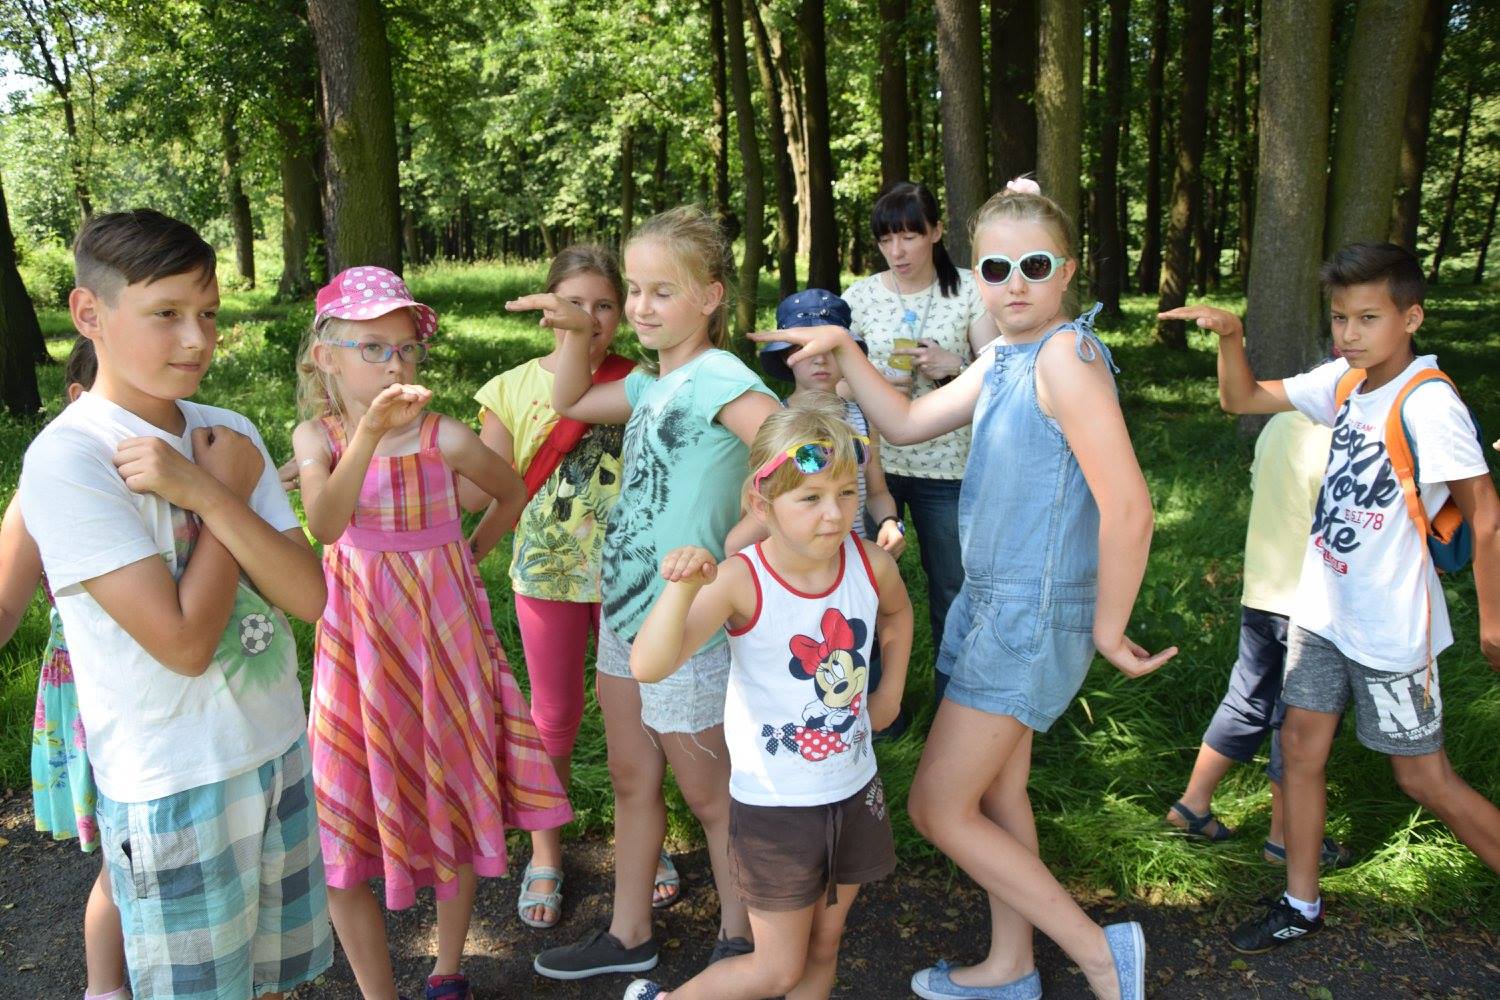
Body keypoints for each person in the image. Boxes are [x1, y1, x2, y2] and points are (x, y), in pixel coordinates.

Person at [754, 178, 1172, 1000]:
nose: (1014, 284)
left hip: (1029, 615)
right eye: (995, 268)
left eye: (1034, 265)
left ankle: (1100, 954)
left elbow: (1131, 508)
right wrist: (843, 349)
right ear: (975, 274)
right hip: (991, 605)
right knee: (999, 794)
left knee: (938, 807)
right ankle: (1012, 965)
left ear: (1067, 271)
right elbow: (907, 423)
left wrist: (1108, 625)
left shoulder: (1066, 357)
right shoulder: (1009, 355)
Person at [18, 209, 333, 999]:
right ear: (88, 313)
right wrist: (221, 492)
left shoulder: (225, 434)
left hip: (276, 747)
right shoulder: (70, 458)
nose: (198, 340)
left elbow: (308, 595)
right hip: (171, 782)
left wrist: (210, 494)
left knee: (269, 981)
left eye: (210, 314)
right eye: (166, 313)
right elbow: (185, 644)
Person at [1162, 241, 1500, 954]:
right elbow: (1242, 398)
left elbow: (1485, 513)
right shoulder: (1345, 381)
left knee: (1424, 779)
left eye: (1368, 318)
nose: (1349, 333)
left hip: (1391, 628)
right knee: (1298, 747)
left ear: (1411, 317)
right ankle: (1301, 903)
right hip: (1320, 615)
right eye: (1340, 318)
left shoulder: (1428, 400)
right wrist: (1232, 337)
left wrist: (1493, 622)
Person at [293, 266, 571, 1000]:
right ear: (326, 357)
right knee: (345, 794)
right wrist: (368, 435)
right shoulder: (316, 438)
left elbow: (511, 491)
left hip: (442, 643)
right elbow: (325, 524)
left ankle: (448, 969)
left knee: (452, 786)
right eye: (373, 347)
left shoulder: (443, 436)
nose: (395, 364)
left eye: (407, 348)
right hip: (359, 649)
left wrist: (465, 555)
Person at [520, 206, 779, 980]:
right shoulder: (652, 383)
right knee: (633, 779)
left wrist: (736, 541)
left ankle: (743, 940)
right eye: (634, 290)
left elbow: (798, 451)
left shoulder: (721, 377)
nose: (640, 306)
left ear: (712, 297)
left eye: (662, 291)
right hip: (626, 613)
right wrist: (575, 329)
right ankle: (629, 933)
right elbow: (569, 401)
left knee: (711, 796)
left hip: (688, 623)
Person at [622, 405, 912, 1000]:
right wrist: (682, 590)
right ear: (762, 503)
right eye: (810, 498)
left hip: (854, 790)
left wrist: (889, 694)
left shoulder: (871, 564)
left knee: (825, 948)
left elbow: (898, 615)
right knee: (775, 969)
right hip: (775, 811)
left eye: (846, 492)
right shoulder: (741, 579)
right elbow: (648, 664)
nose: (834, 513)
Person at [468, 244, 675, 929]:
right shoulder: (507, 388)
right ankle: (546, 852)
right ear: (547, 311)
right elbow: (488, 488)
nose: (590, 317)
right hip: (547, 575)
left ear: (624, 313)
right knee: (553, 716)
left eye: (605, 305)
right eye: (574, 304)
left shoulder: (644, 382)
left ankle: (646, 843)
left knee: (639, 714)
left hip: (632, 577)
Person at [1164, 407, 1352, 868]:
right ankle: (1284, 838)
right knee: (1298, 720)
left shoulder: (1281, 422)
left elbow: (1261, 488)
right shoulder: (1347, 436)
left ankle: (1192, 806)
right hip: (1311, 603)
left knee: (1245, 698)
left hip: (1262, 591)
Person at [1, 338, 129, 1000]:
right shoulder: (42, 490)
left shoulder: (169, 466)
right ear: (79, 399)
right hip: (91, 690)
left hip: (173, 690)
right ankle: (105, 988)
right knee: (123, 858)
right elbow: (4, 604)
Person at [842, 181, 997, 705]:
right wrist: (870, 382)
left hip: (948, 468)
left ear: (935, 231)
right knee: (862, 586)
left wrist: (953, 366)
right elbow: (827, 379)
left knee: (952, 590)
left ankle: (955, 708)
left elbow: (1002, 377)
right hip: (869, 465)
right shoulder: (861, 297)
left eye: (909, 236)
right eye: (886, 239)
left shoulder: (970, 290)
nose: (898, 251)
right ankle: (867, 707)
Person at [760, 289, 908, 739]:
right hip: (794, 567)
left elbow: (877, 491)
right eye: (806, 349)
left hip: (854, 558)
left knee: (857, 640)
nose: (820, 360)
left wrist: (889, 522)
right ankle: (805, 728)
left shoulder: (862, 416)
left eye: (831, 349)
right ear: (785, 356)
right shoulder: (774, 418)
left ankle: (869, 718)